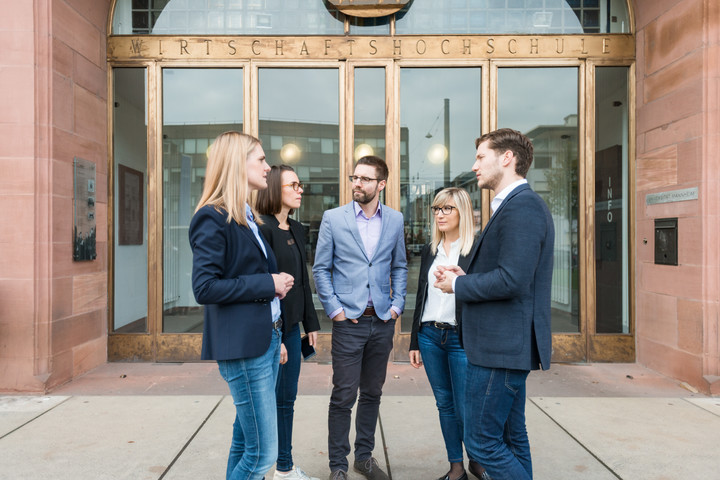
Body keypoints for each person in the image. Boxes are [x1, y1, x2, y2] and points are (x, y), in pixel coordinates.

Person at [434, 128, 554, 480]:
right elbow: (507, 270)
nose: (474, 166)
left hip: (500, 349)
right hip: (502, 346)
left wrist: (458, 283)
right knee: (511, 436)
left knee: (483, 442)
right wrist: (465, 273)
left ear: (507, 158)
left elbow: (514, 280)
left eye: (481, 157)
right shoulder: (511, 206)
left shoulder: (524, 206)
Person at [189, 131, 294, 480]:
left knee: (244, 441)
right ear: (238, 163)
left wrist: (276, 333)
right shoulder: (212, 217)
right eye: (261, 159)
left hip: (264, 341)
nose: (267, 167)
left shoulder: (247, 216)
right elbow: (204, 288)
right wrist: (269, 283)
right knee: (263, 455)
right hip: (244, 349)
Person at [312, 156, 408, 480]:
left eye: (366, 179)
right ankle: (338, 464)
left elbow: (400, 266)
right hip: (348, 323)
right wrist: (334, 310)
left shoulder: (394, 220)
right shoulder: (333, 218)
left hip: (381, 321)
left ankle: (363, 458)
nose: (357, 183)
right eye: (355, 177)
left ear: (381, 184)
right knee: (343, 394)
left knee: (373, 393)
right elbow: (321, 268)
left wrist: (397, 306)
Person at [408, 187, 487, 480]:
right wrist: (415, 338)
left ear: (462, 213)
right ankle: (456, 466)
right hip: (430, 336)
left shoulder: (476, 250)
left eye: (447, 209)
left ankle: (477, 459)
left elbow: (482, 292)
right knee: (444, 403)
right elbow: (421, 296)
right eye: (437, 209)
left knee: (466, 405)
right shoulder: (432, 249)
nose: (440, 215)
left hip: (460, 338)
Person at [256, 165, 321, 480]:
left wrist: (312, 324)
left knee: (287, 400)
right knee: (264, 404)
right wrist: (278, 336)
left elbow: (304, 281)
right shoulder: (262, 228)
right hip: (273, 331)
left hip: (294, 328)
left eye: (300, 183)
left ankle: (283, 467)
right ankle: (269, 466)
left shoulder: (297, 228)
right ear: (273, 189)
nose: (300, 189)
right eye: (293, 185)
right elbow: (264, 286)